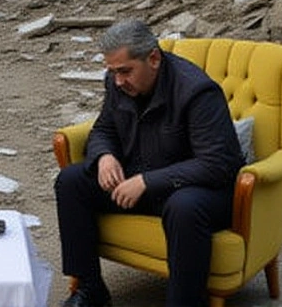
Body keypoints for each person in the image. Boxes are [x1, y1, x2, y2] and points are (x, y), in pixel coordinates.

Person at [54, 20, 244, 307]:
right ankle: (90, 290)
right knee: (71, 181)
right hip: (141, 177)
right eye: (113, 72)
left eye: (125, 71)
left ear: (153, 58)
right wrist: (104, 156)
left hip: (198, 189)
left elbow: (216, 164)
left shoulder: (197, 91)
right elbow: (103, 129)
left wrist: (147, 181)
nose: (118, 81)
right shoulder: (118, 83)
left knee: (184, 207)